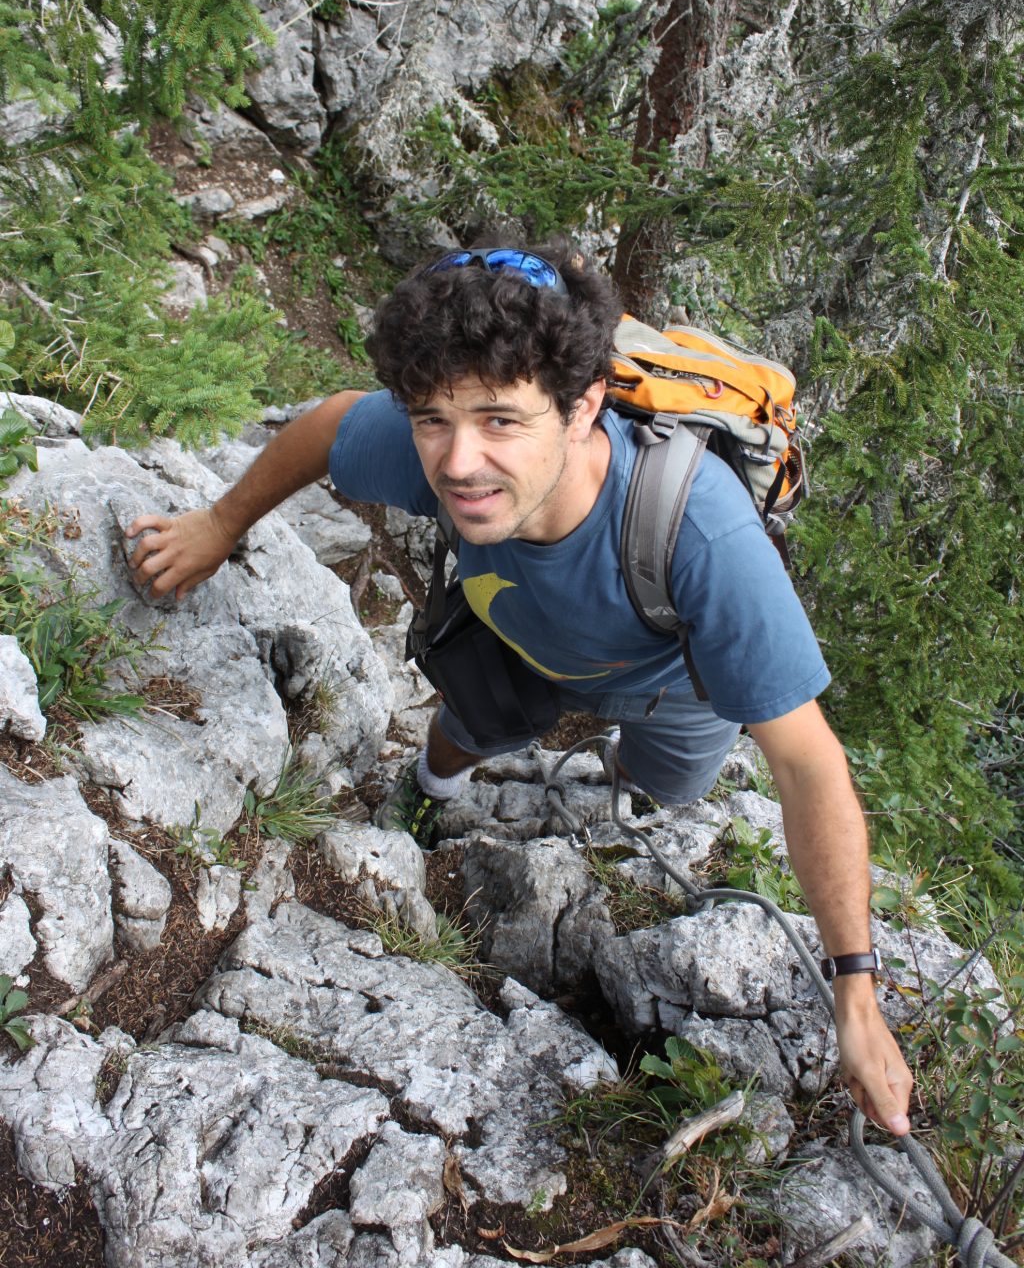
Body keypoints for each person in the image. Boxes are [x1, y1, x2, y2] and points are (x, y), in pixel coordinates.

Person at [126, 239, 914, 1138]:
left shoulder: (701, 534)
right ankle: (430, 790)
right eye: (432, 418)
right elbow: (332, 426)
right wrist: (218, 524)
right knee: (470, 725)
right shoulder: (440, 441)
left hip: (671, 686)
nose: (460, 461)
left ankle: (621, 772)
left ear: (583, 409)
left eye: (502, 419)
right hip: (521, 640)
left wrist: (856, 994)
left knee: (672, 784)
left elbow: (809, 764)